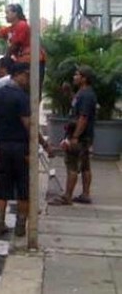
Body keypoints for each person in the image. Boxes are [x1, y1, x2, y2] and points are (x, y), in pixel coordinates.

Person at [0, 62, 50, 237]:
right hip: (21, 148)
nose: (28, 80)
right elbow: (29, 126)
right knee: (24, 187)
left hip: (3, 146)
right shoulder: (22, 97)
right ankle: (21, 227)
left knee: (1, 187)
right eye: (27, 76)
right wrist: (41, 145)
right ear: (18, 75)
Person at [0, 3, 46, 97]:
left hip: (32, 60)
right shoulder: (9, 29)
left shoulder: (22, 25)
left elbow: (14, 46)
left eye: (7, 13)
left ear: (15, 13)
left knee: (28, 89)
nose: (5, 15)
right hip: (22, 60)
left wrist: (4, 61)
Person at [49, 65, 98, 206]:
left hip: (80, 137)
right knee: (85, 166)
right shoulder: (82, 93)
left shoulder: (86, 95)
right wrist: (69, 93)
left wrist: (75, 137)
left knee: (72, 165)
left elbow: (83, 118)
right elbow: (77, 108)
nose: (74, 77)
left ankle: (67, 196)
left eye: (77, 75)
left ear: (84, 79)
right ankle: (85, 194)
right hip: (84, 136)